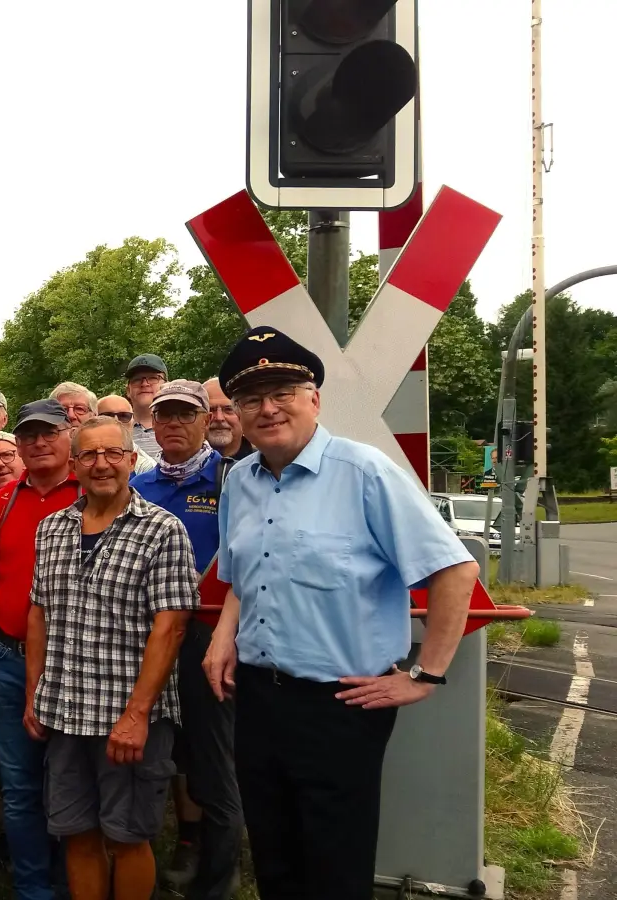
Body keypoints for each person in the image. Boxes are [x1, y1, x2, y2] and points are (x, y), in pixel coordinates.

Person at [203, 327, 479, 899]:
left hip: (341, 702)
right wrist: (223, 635)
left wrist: (424, 674)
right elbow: (241, 574)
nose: (267, 408)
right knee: (274, 858)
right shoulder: (241, 484)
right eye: (251, 399)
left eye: (282, 391)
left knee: (334, 867)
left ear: (314, 399)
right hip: (258, 696)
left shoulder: (364, 472)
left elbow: (455, 571)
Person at [29, 414, 198, 900]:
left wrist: (138, 714)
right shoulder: (52, 529)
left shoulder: (163, 531)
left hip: (128, 718)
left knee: (128, 837)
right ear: (74, 464)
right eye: (89, 455)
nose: (101, 464)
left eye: (112, 454)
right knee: (76, 833)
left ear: (130, 459)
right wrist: (34, 694)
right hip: (64, 712)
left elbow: (171, 627)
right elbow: (38, 614)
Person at [0, 398, 80, 900]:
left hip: (77, 662)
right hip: (7, 657)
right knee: (18, 784)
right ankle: (34, 888)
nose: (37, 442)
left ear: (68, 434)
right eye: (29, 433)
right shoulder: (1, 501)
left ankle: (72, 880)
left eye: (48, 432)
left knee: (74, 784)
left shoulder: (95, 490)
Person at [128, 381, 240, 899]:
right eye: (163, 415)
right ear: (151, 423)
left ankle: (220, 872)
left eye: (184, 415)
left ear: (204, 422)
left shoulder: (231, 479)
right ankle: (169, 844)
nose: (172, 423)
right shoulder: (141, 486)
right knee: (159, 747)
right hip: (146, 637)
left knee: (212, 756)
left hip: (208, 637)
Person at [123, 354, 168, 462]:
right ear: (128, 390)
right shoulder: (117, 426)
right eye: (137, 379)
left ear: (166, 386)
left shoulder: (179, 426)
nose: (144, 384)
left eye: (153, 378)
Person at [96, 396, 155, 475]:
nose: (116, 421)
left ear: (133, 421)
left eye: (124, 416)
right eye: (107, 416)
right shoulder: (80, 456)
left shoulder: (146, 467)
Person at [201, 378, 251, 461]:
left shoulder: (265, 464)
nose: (219, 418)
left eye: (228, 409)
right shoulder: (178, 467)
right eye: (210, 410)